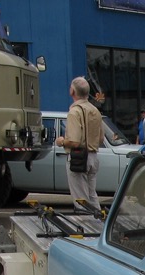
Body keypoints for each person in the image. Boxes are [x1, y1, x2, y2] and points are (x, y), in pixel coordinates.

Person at [56, 76, 104, 214]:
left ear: (72, 91)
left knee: (80, 199)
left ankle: (85, 228)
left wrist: (61, 141)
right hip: (93, 157)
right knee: (92, 195)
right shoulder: (95, 110)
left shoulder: (74, 112)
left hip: (79, 158)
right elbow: (100, 138)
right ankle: (99, 227)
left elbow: (74, 141)